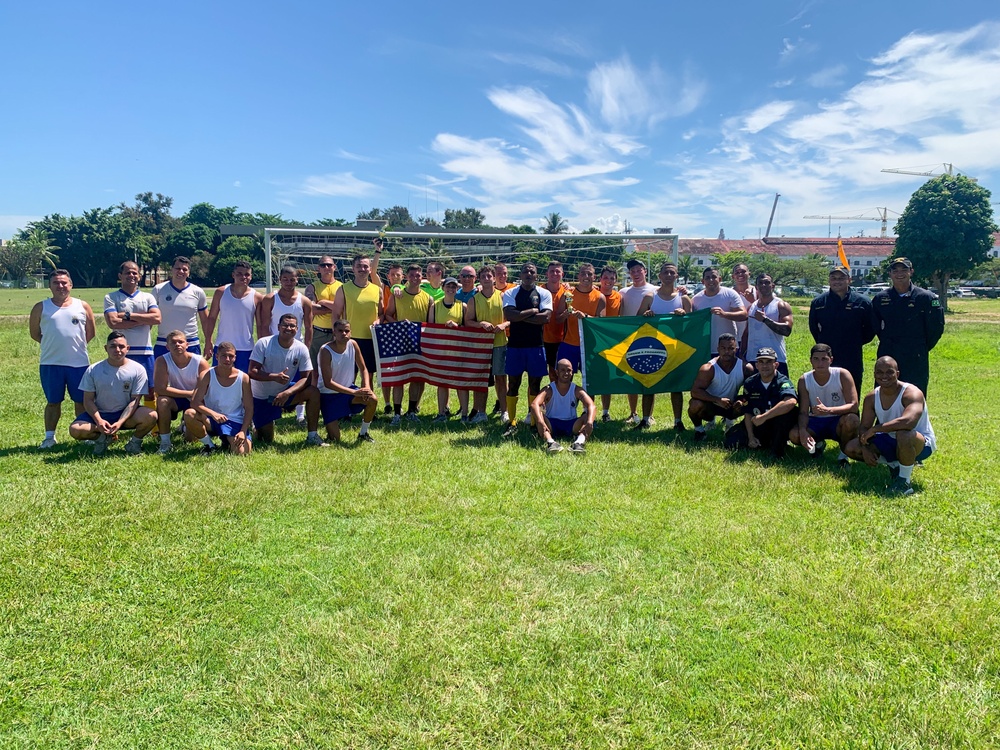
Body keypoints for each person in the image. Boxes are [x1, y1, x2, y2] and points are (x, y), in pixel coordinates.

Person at [844, 356, 936, 496]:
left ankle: (904, 482)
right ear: (874, 374)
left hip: (919, 442)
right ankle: (895, 465)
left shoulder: (912, 393)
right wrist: (865, 448)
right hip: (889, 439)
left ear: (897, 373)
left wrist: (876, 429)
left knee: (903, 433)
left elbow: (908, 422)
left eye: (889, 372)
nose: (884, 376)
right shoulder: (871, 397)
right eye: (879, 372)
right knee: (851, 448)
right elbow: (864, 427)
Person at [30, 269, 97, 448]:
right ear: (50, 286)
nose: (60, 286)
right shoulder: (40, 307)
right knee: (53, 402)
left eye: (64, 283)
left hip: (79, 364)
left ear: (71, 285)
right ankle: (49, 437)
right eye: (56, 283)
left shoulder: (82, 306)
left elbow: (90, 333)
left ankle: (84, 434)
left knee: (81, 401)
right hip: (51, 364)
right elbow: (35, 333)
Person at [69, 331, 158, 456]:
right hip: (101, 414)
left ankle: (134, 443)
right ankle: (103, 439)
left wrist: (120, 422)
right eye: (113, 346)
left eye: (121, 346)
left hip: (126, 415)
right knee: (75, 430)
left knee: (151, 415)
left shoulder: (138, 369)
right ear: (106, 348)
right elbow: (87, 400)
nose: (117, 350)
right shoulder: (93, 370)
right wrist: (99, 422)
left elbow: (135, 401)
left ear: (127, 349)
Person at [247, 313, 326, 446]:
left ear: (297, 328)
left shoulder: (301, 348)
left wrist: (287, 393)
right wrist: (274, 377)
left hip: (284, 393)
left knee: (313, 392)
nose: (288, 328)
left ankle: (312, 435)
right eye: (285, 325)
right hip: (262, 398)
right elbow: (252, 372)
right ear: (278, 327)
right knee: (266, 440)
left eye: (292, 326)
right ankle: (257, 426)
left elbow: (306, 378)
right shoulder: (264, 343)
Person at [871, 257, 944, 397]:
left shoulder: (926, 298)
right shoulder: (881, 298)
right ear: (890, 273)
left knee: (915, 392)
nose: (900, 273)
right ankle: (884, 419)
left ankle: (914, 419)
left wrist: (921, 345)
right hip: (889, 352)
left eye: (904, 270)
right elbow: (875, 326)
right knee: (885, 390)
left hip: (915, 354)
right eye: (895, 270)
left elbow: (936, 328)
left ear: (911, 271)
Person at [636, 262, 692, 431]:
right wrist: (646, 315)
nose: (668, 275)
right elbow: (637, 319)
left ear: (677, 276)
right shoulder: (650, 297)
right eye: (665, 273)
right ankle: (645, 419)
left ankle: (678, 421)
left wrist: (684, 315)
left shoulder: (683, 299)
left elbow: (693, 324)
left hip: (675, 348)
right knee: (649, 383)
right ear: (659, 276)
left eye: (672, 273)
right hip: (653, 347)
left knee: (676, 386)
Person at [502, 262, 553, 437]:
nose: (529, 274)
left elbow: (545, 318)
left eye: (532, 271)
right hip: (515, 346)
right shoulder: (510, 293)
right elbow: (509, 315)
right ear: (521, 274)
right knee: (514, 384)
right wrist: (532, 311)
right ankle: (512, 422)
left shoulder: (544, 293)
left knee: (534, 385)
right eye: (525, 271)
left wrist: (520, 316)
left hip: (536, 346)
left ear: (537, 276)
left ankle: (533, 422)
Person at [788, 343, 860, 465]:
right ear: (810, 360)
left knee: (852, 420)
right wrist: (802, 430)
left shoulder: (842, 374)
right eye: (816, 359)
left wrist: (828, 410)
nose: (820, 363)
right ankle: (818, 444)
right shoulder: (804, 380)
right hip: (815, 421)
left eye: (824, 359)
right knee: (795, 435)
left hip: (838, 420)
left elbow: (854, 405)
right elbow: (804, 411)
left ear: (831, 360)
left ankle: (843, 456)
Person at [808, 265, 875, 392]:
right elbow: (814, 328)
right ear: (829, 280)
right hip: (826, 355)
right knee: (826, 389)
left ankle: (852, 412)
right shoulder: (818, 303)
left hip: (852, 354)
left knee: (852, 389)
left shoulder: (862, 302)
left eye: (841, 278)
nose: (837, 281)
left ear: (849, 280)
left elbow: (870, 329)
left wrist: (856, 341)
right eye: (833, 278)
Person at [261, 265, 313, 423]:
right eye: (285, 279)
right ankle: (270, 412)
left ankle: (300, 415)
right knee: (273, 380)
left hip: (295, 348)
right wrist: (265, 347)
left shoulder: (304, 301)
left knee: (300, 380)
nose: (289, 282)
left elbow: (309, 328)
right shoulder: (270, 298)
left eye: (292, 279)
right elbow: (264, 324)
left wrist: (307, 349)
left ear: (297, 280)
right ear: (280, 280)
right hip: (274, 347)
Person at [724, 346, 797, 458]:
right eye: (761, 362)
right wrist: (751, 436)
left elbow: (791, 401)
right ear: (756, 365)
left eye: (769, 362)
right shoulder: (750, 383)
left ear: (776, 365)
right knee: (732, 442)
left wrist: (765, 416)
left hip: (777, 423)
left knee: (785, 416)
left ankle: (777, 450)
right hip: (759, 423)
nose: (764, 366)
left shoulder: (782, 381)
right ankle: (763, 442)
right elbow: (748, 411)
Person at [185, 341, 253, 455]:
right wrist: (213, 414)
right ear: (217, 357)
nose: (227, 359)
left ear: (235, 358)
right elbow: (195, 402)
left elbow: (249, 408)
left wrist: (243, 430)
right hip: (211, 419)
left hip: (234, 420)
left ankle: (227, 439)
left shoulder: (243, 378)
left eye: (230, 356)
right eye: (223, 356)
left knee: (242, 453)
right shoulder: (207, 375)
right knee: (189, 414)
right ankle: (209, 445)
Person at [384, 264, 432, 424]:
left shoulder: (428, 298)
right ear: (406, 277)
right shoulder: (397, 295)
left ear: (422, 277)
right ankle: (397, 413)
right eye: (411, 275)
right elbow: (388, 315)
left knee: (416, 377)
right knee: (399, 377)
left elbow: (430, 323)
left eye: (418, 275)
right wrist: (399, 325)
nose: (415, 278)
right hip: (400, 340)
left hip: (419, 342)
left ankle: (412, 410)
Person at [104, 260, 160, 399]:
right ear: (120, 276)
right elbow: (113, 322)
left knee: (150, 391)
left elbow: (157, 319)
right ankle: (123, 420)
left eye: (135, 273)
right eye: (127, 272)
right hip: (121, 352)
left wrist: (128, 316)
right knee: (123, 391)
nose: (131, 275)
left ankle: (150, 420)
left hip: (145, 351)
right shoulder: (111, 297)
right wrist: (143, 320)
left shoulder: (148, 297)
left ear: (139, 276)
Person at [333, 252, 384, 401]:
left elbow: (381, 313)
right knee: (348, 374)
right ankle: (346, 407)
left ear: (370, 269)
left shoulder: (377, 290)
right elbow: (336, 314)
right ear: (353, 269)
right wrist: (336, 335)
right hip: (349, 339)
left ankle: (367, 405)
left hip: (370, 339)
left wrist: (379, 320)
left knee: (367, 374)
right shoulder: (344, 289)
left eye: (365, 266)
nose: (362, 269)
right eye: (359, 266)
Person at [317, 320, 378, 443]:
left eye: (347, 331)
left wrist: (366, 387)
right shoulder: (325, 351)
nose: (344, 333)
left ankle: (363, 433)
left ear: (351, 332)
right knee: (335, 439)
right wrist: (354, 392)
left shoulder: (353, 344)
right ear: (334, 332)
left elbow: (363, 368)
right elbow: (328, 383)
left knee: (373, 399)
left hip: (348, 392)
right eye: (340, 331)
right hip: (328, 395)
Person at [153, 329, 210, 454]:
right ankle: (165, 442)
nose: (177, 345)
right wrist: (189, 393)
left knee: (190, 440)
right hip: (178, 398)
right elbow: (160, 388)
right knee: (162, 401)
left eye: (180, 342)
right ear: (167, 346)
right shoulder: (162, 361)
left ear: (187, 345)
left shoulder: (200, 362)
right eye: (173, 343)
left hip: (197, 399)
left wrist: (194, 396)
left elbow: (206, 388)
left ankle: (186, 426)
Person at [465, 264, 510, 424]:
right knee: (481, 379)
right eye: (483, 276)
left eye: (489, 276)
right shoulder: (474, 299)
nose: (486, 279)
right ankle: (481, 412)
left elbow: (511, 318)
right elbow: (468, 321)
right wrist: (481, 324)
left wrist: (504, 325)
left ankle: (504, 410)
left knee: (501, 378)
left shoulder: (503, 296)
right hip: (481, 344)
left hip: (499, 342)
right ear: (479, 279)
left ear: (494, 278)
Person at [688, 333, 753, 441]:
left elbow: (753, 391)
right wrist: (717, 400)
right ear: (718, 349)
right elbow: (695, 392)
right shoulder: (708, 369)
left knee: (753, 402)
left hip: (732, 405)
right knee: (694, 404)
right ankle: (699, 431)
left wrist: (743, 401)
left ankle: (744, 429)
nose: (726, 352)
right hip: (711, 405)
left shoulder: (745, 367)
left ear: (735, 349)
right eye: (723, 348)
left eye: (730, 348)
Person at [619, 258, 658, 425]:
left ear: (645, 271)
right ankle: (633, 412)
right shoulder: (623, 292)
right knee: (631, 376)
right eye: (632, 271)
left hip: (650, 339)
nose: (635, 273)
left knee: (650, 375)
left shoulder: (656, 290)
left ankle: (649, 414)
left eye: (638, 270)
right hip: (630, 339)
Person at [204, 260, 261, 373]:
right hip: (222, 346)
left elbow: (260, 325)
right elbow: (211, 318)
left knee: (243, 382)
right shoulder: (221, 292)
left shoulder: (257, 297)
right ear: (233, 275)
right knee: (220, 379)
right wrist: (208, 341)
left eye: (247, 274)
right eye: (239, 274)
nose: (243, 277)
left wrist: (261, 349)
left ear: (251, 276)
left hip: (246, 348)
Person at [531, 358, 596, 454]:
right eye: (563, 370)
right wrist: (540, 421)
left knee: (588, 416)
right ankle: (551, 443)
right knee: (539, 414)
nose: (566, 373)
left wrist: (590, 422)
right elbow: (534, 404)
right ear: (557, 372)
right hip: (551, 424)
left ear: (572, 372)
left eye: (569, 370)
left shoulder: (576, 389)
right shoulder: (549, 389)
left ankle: (579, 443)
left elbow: (591, 405)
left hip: (572, 424)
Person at [429, 277, 469, 422]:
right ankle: (441, 413)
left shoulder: (463, 306)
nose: (451, 289)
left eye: (453, 287)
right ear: (443, 287)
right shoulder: (435, 305)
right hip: (441, 349)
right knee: (442, 381)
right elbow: (430, 328)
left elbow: (468, 328)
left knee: (461, 381)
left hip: (458, 349)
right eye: (448, 286)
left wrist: (458, 327)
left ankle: (464, 414)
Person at [152, 255, 208, 359]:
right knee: (162, 374)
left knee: (192, 375)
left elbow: (205, 320)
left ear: (189, 272)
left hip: (190, 343)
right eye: (178, 268)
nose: (181, 271)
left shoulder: (198, 292)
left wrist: (209, 342)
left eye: (184, 269)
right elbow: (150, 317)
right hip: (163, 342)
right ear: (171, 270)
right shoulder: (158, 290)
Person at [555, 262, 606, 373]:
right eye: (583, 274)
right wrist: (564, 315)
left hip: (589, 345)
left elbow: (601, 323)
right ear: (578, 276)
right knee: (564, 379)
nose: (586, 277)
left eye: (589, 274)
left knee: (590, 380)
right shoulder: (568, 294)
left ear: (594, 277)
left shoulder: (600, 297)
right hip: (569, 343)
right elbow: (557, 319)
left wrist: (586, 317)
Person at [743, 273, 793, 375]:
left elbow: (787, 330)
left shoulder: (781, 305)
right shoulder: (752, 307)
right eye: (760, 283)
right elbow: (747, 333)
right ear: (756, 287)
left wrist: (765, 320)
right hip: (753, 359)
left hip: (775, 359)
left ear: (773, 286)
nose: (763, 285)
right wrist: (741, 355)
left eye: (767, 283)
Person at [691, 267, 747, 357]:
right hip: (705, 349)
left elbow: (744, 315)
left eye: (714, 277)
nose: (711, 280)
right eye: (707, 278)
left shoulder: (730, 294)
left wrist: (724, 314)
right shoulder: (696, 299)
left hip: (728, 349)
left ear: (719, 279)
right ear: (703, 281)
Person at [303, 254, 342, 373]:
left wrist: (323, 302)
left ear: (334, 267)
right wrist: (336, 307)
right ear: (318, 268)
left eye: (329, 265)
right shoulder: (312, 287)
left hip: (338, 333)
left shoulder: (342, 287)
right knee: (314, 368)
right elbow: (311, 309)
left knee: (336, 368)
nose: (326, 267)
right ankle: (315, 391)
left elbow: (346, 308)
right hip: (318, 333)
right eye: (323, 265)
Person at [596, 264, 622, 422]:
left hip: (611, 343)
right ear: (600, 279)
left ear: (616, 281)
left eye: (612, 278)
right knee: (591, 376)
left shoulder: (619, 296)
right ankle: (587, 410)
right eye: (605, 277)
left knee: (607, 377)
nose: (608, 281)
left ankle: (605, 412)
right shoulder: (593, 294)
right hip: (594, 340)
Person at [542, 261, 569, 381]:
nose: (555, 273)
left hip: (561, 339)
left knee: (557, 373)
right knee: (536, 376)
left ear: (562, 274)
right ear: (547, 273)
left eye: (558, 271)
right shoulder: (539, 290)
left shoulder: (568, 292)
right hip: (541, 339)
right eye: (552, 271)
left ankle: (558, 398)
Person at [731, 263, 756, 358]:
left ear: (749, 274)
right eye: (737, 272)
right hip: (734, 337)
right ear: (733, 276)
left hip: (752, 337)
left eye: (743, 271)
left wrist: (753, 301)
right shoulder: (729, 293)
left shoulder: (758, 291)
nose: (740, 274)